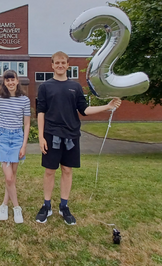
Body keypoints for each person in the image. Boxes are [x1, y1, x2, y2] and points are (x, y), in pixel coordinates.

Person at [35, 51, 121, 225]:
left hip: (71, 136)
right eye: (57, 63)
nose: (60, 65)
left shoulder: (75, 87)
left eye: (63, 63)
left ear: (68, 65)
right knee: (49, 171)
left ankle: (64, 206)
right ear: (52, 65)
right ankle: (46, 205)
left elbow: (84, 110)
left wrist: (108, 106)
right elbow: (41, 112)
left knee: (67, 170)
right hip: (51, 135)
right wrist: (41, 137)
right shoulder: (45, 87)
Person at [0, 70, 30, 223]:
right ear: (4, 82)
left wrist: (24, 145)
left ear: (17, 81)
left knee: (12, 178)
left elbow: (27, 123)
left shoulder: (25, 100)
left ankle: (4, 204)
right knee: (8, 177)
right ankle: (16, 208)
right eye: (7, 80)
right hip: (3, 138)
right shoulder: (0, 98)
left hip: (17, 138)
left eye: (12, 79)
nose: (10, 82)